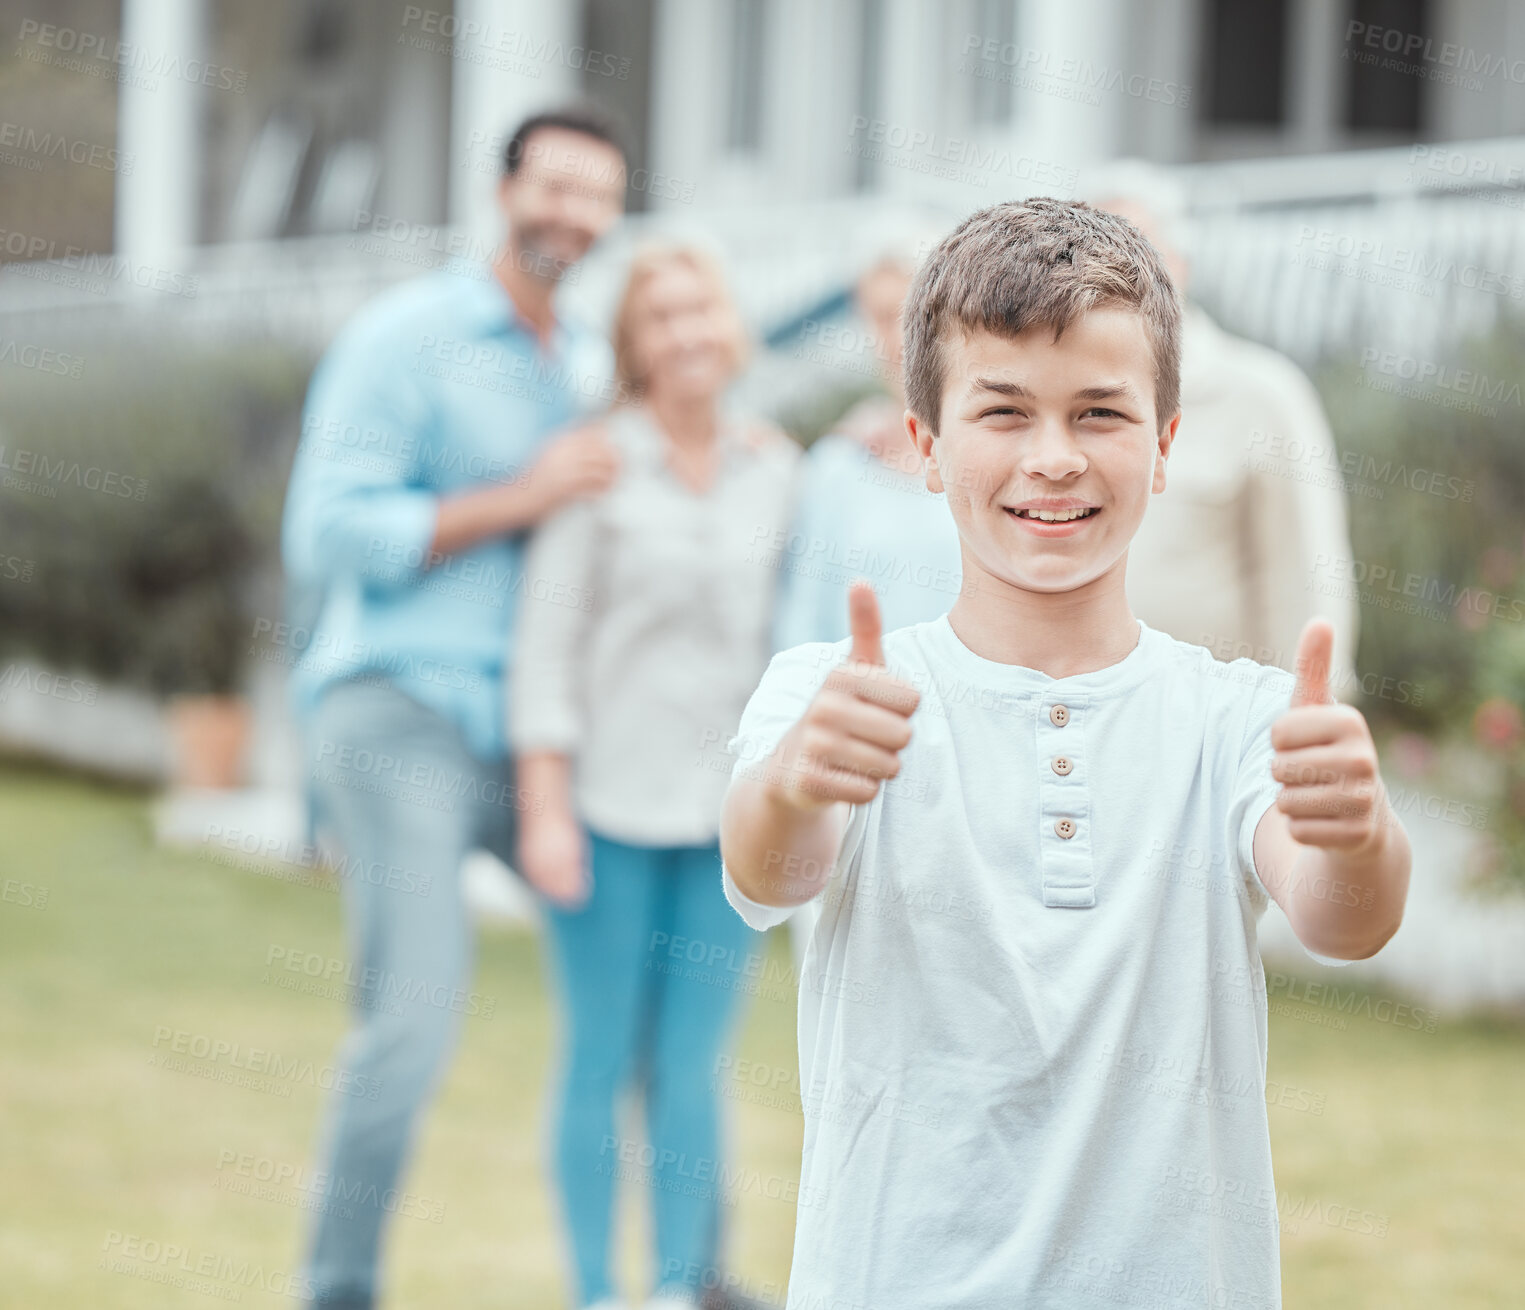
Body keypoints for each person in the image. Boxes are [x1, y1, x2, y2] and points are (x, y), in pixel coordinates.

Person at [718, 199, 1412, 1308]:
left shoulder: (1236, 716)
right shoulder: (828, 695)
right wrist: (802, 778)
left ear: (1165, 443)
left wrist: (1360, 830)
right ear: (927, 444)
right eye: (1003, 411)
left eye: (1100, 412)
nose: (1053, 458)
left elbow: (1345, 915)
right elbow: (771, 867)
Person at [279, 105, 628, 1309]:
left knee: (644, 979)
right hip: (400, 714)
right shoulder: (406, 337)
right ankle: (336, 1292)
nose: (570, 213)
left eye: (596, 195)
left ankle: (662, 1277)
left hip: (534, 740)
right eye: (554, 186)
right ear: (504, 188)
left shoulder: (580, 361)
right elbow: (326, 533)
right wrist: (517, 495)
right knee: (411, 1022)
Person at [509, 245, 801, 1310]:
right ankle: (596, 1290)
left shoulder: (777, 465)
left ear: (730, 327)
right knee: (597, 1056)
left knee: (692, 1065)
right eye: (660, 317)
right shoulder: (594, 463)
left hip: (725, 815)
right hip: (603, 808)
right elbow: (546, 646)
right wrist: (544, 808)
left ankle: (679, 1288)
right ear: (633, 343)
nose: (685, 333)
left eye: (700, 311)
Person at [1082, 162, 1360, 694]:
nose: (1106, 277)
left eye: (1131, 255)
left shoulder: (1264, 395)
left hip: (1221, 732)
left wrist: (1306, 720)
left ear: (1179, 265)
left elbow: (1308, 582)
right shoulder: (1062, 409)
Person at [771, 247, 963, 967]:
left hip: (972, 766)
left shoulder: (998, 458)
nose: (901, 332)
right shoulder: (837, 467)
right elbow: (799, 629)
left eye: (916, 308)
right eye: (884, 315)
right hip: (857, 768)